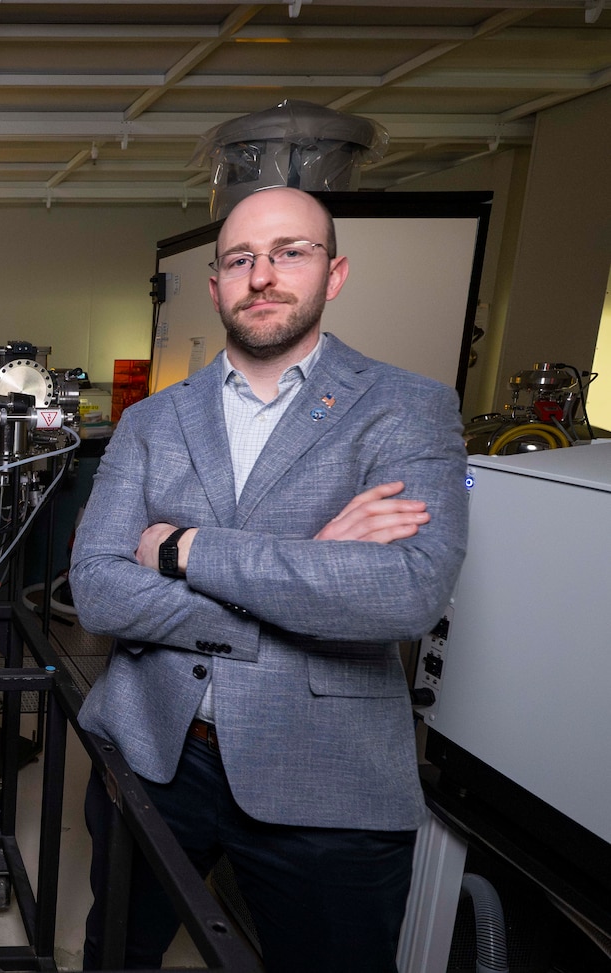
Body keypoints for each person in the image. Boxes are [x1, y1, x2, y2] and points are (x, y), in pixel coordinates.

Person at [71, 186, 468, 972]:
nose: (264, 275)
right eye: (241, 259)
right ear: (216, 282)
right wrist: (308, 567)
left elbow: (406, 590)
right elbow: (96, 586)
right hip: (156, 748)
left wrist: (185, 549)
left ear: (335, 272)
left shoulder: (408, 408)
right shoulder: (154, 418)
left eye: (290, 252)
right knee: (115, 953)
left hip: (325, 773)